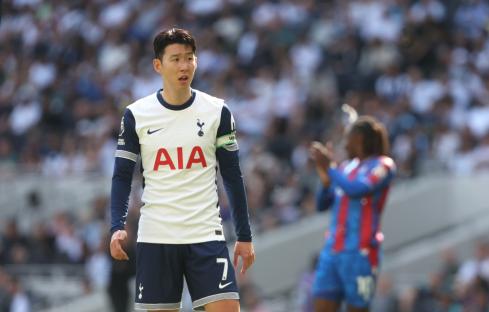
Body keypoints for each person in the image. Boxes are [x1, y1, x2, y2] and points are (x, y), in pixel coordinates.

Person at [109, 28, 255, 312]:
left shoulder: (217, 111)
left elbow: (233, 176)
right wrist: (117, 225)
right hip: (156, 237)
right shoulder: (137, 114)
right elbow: (122, 175)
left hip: (205, 234)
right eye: (175, 59)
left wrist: (244, 235)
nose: (184, 65)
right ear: (158, 65)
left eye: (189, 58)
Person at [309, 116, 396, 312]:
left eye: (347, 138)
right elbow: (322, 204)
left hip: (361, 254)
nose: (344, 144)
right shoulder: (346, 168)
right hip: (332, 251)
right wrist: (324, 175)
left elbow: (357, 189)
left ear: (358, 139)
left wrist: (330, 167)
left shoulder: (383, 165)